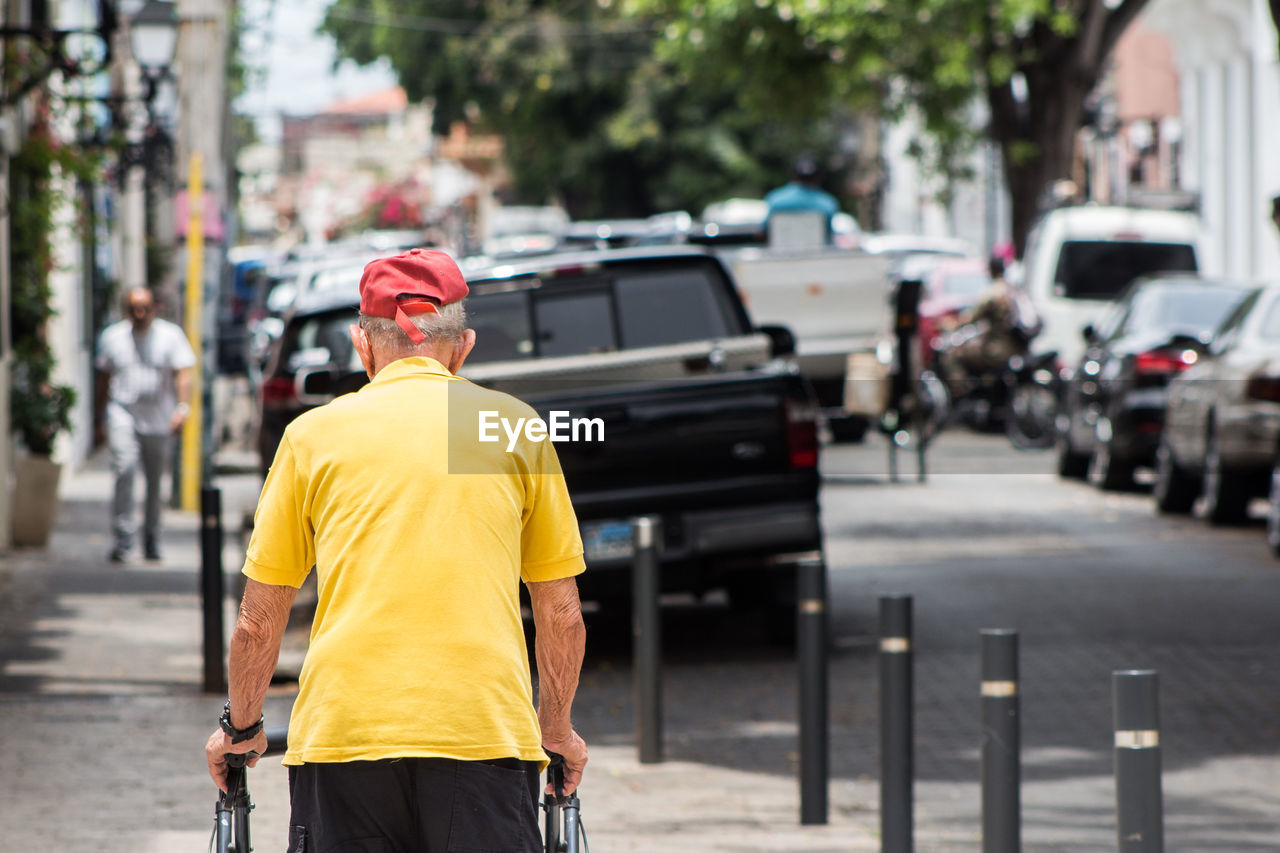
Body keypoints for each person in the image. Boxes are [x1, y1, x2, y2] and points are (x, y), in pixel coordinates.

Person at [204, 249, 589, 852]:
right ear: (463, 345)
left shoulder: (313, 437)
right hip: (483, 732)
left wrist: (242, 727)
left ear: (363, 344)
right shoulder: (512, 429)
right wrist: (557, 728)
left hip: (345, 735)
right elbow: (561, 613)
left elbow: (257, 619)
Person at [94, 287, 195, 562]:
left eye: (145, 308)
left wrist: (181, 408)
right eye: (134, 309)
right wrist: (98, 418)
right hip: (122, 412)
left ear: (154, 309)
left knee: (154, 482)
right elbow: (102, 379)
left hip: (158, 418)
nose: (140, 314)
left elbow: (182, 373)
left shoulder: (170, 336)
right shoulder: (112, 337)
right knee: (124, 469)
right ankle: (123, 541)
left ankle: (152, 540)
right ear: (126, 311)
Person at [764, 156, 841, 243]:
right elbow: (828, 234)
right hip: (817, 254)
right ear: (818, 177)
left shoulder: (775, 199)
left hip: (779, 254)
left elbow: (766, 228)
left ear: (793, 175)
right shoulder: (827, 203)